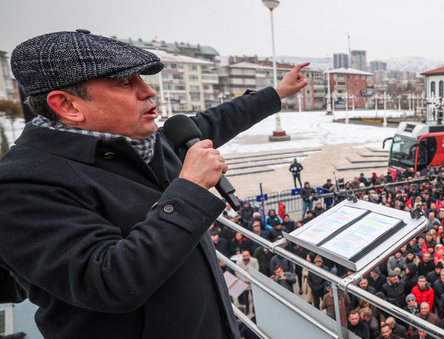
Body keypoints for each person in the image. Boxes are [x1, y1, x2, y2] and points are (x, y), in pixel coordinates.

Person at [0, 30, 310, 338]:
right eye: (125, 83)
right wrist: (189, 189)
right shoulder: (21, 185)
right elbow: (109, 282)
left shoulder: (145, 141)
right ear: (67, 106)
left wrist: (277, 93)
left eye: (142, 80)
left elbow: (216, 120)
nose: (148, 92)